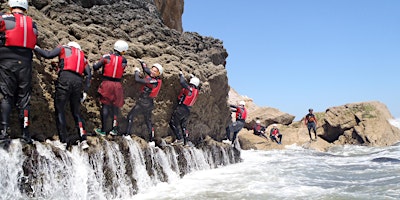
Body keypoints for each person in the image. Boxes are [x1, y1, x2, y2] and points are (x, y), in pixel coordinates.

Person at [34, 42, 91, 149]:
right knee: (76, 112)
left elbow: (48, 55)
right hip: (78, 82)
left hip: (65, 78)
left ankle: (63, 141)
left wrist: (36, 48)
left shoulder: (64, 48)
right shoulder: (82, 57)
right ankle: (83, 140)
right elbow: (89, 74)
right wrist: (85, 91)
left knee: (60, 109)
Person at [0, 0, 38, 143]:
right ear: (26, 9)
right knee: (24, 98)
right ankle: (25, 133)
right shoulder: (32, 23)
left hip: (6, 62)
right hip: (25, 64)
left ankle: (4, 132)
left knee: (7, 96)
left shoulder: (4, 18)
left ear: (11, 6)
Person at [93, 40, 128, 137]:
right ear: (122, 51)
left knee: (105, 106)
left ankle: (103, 130)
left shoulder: (106, 57)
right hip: (117, 85)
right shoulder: (124, 60)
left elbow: (96, 67)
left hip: (107, 84)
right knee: (115, 107)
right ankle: (114, 129)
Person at [123, 59, 163, 143]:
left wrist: (136, 72)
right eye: (152, 69)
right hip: (149, 103)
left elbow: (138, 80)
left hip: (143, 103)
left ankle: (127, 135)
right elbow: (146, 69)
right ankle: (151, 140)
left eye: (155, 71)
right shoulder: (155, 77)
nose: (152, 71)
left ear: (158, 73)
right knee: (148, 120)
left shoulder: (153, 81)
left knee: (130, 116)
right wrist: (142, 62)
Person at [169, 72, 200, 146]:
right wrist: (192, 77)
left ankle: (179, 139)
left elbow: (182, 82)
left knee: (173, 122)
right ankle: (186, 141)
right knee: (183, 126)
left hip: (182, 108)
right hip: (188, 110)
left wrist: (181, 75)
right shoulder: (196, 91)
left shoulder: (190, 89)